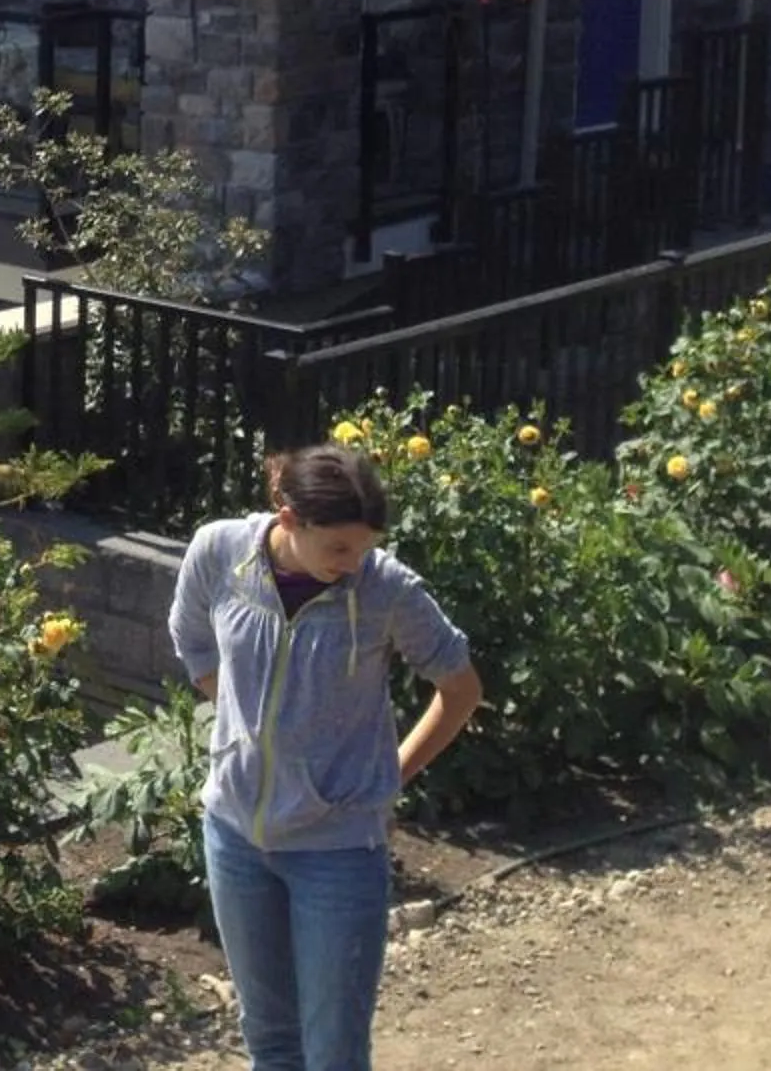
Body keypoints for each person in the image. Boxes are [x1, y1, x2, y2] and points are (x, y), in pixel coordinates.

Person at [168, 442, 487, 1071]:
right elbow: (190, 637)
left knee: (334, 1052)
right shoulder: (221, 551)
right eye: (338, 548)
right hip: (234, 837)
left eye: (365, 547)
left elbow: (461, 689)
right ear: (289, 518)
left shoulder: (385, 589)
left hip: (338, 852)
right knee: (270, 1040)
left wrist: (390, 774)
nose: (353, 563)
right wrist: (246, 726)